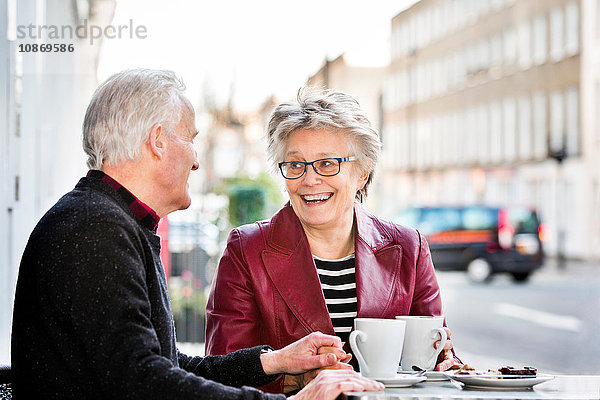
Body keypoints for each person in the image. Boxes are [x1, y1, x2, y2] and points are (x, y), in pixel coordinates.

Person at [10, 70, 384, 400]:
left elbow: (163, 364)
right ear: (158, 141)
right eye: (190, 138)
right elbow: (142, 382)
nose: (195, 160)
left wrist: (273, 362)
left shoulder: (107, 221)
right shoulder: (96, 230)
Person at [205, 87, 461, 394]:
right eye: (295, 165)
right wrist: (295, 379)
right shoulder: (246, 251)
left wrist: (448, 366)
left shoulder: (409, 249)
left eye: (327, 164)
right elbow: (220, 374)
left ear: (363, 173)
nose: (310, 180)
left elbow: (439, 354)